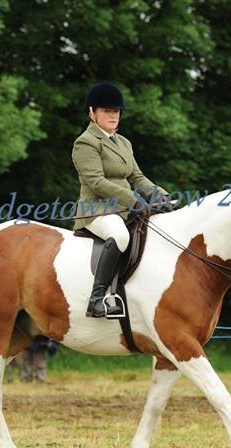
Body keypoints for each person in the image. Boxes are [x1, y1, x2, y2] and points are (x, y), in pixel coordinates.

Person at [72, 81, 168, 318]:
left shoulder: (124, 142)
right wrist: (133, 200)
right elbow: (96, 182)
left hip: (124, 209)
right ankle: (97, 300)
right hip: (97, 210)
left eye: (116, 111)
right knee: (120, 236)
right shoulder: (86, 142)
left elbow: (137, 177)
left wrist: (161, 196)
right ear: (92, 113)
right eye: (107, 111)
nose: (113, 116)